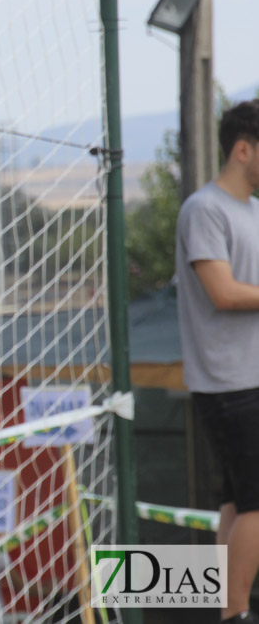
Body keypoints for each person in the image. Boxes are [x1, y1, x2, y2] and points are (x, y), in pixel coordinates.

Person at [176, 99, 259, 624]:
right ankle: (236, 610)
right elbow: (224, 293)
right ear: (243, 149)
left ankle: (228, 610)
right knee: (256, 503)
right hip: (229, 384)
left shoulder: (252, 210)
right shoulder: (203, 209)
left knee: (237, 499)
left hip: (250, 378)